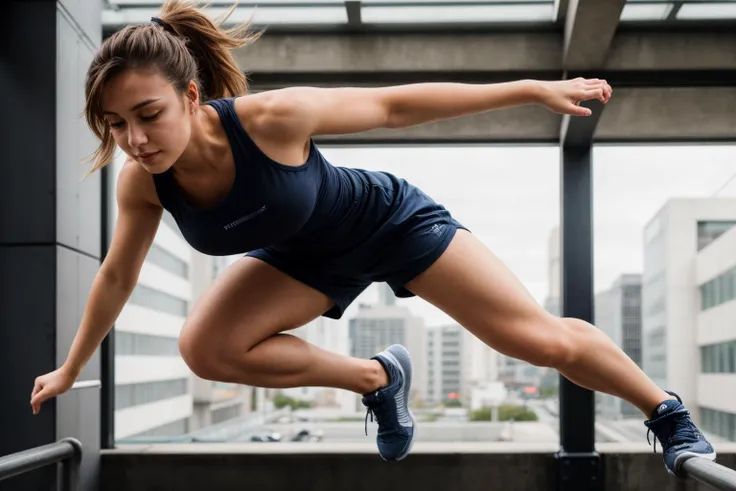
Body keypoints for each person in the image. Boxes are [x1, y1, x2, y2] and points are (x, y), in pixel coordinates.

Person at [30, 0, 714, 474]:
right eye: (116, 125)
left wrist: (531, 88)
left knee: (537, 340)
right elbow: (117, 276)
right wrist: (71, 366)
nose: (135, 139)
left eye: (147, 115)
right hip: (302, 257)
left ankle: (666, 411)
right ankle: (379, 377)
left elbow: (395, 104)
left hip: (388, 222)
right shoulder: (142, 182)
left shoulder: (271, 118)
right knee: (203, 347)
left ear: (188, 95)